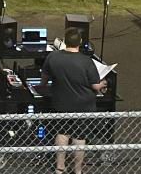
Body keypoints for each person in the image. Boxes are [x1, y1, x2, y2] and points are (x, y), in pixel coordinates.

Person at [40, 28, 108, 174]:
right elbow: (95, 86)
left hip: (61, 104)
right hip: (83, 106)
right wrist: (103, 83)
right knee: (79, 137)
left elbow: (43, 82)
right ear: (80, 42)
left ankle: (60, 167)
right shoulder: (86, 61)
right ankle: (77, 171)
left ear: (65, 41)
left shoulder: (53, 57)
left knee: (62, 134)